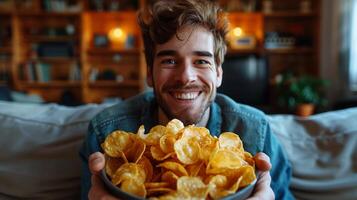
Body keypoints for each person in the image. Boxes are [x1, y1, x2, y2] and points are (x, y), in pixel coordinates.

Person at [80, 0, 294, 199]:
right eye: (170, 60)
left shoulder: (256, 131)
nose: (186, 77)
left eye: (201, 61)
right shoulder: (104, 133)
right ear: (149, 73)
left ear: (218, 73)